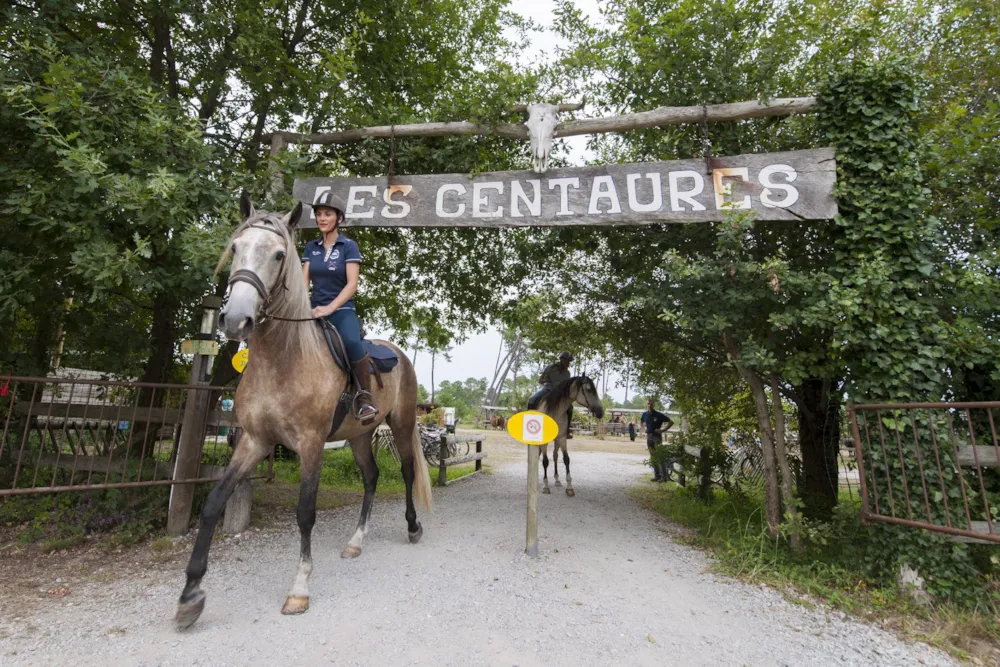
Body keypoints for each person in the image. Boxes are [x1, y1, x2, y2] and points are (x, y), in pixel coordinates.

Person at [302, 191, 378, 421]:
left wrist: (330, 308)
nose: (322, 218)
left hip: (342, 310)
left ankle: (364, 398)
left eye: (327, 214)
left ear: (339, 219)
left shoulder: (349, 246)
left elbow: (352, 285)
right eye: (318, 214)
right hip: (313, 310)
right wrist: (303, 307)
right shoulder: (310, 248)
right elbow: (303, 283)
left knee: (353, 342)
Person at [532, 351, 574, 438]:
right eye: (567, 361)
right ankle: (531, 423)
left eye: (569, 361)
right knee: (532, 399)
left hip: (560, 393)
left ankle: (567, 430)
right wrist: (546, 381)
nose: (568, 363)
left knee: (570, 407)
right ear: (561, 359)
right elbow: (541, 380)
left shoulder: (567, 373)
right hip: (548, 389)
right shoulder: (550, 368)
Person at [640, 399, 674, 482]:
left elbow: (671, 422)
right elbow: (641, 422)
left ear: (653, 405)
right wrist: (644, 429)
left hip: (657, 437)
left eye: (651, 404)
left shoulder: (658, 414)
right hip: (649, 436)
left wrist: (663, 430)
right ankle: (657, 476)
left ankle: (664, 477)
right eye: (648, 404)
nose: (649, 405)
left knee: (659, 456)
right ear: (646, 404)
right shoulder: (645, 414)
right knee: (653, 457)